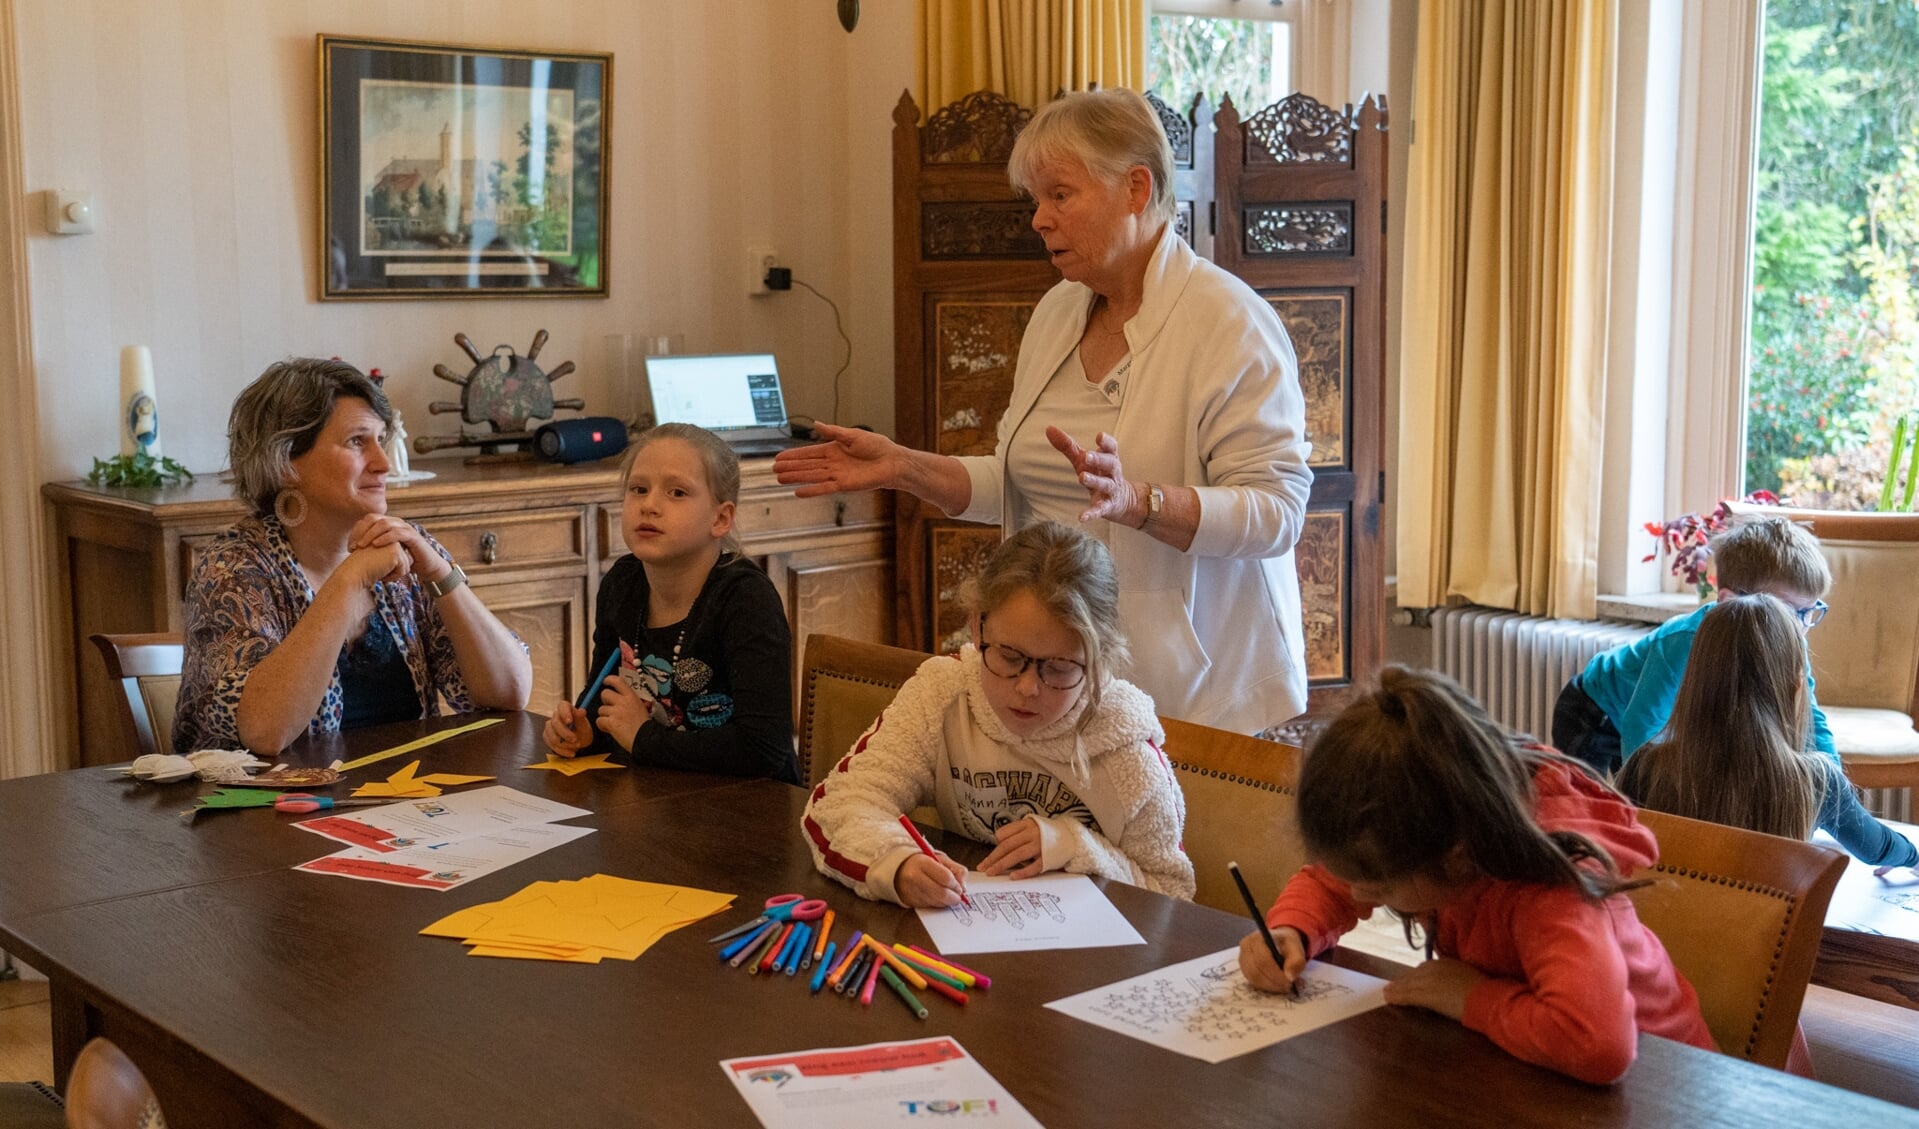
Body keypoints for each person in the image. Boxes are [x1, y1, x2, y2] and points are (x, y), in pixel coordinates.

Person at [774, 88, 1312, 736]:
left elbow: (1276, 513)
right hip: (1055, 679)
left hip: (1195, 698)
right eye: (1035, 199)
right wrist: (904, 467)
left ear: (1136, 188)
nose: (1039, 219)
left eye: (1060, 195)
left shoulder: (1228, 321)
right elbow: (1021, 482)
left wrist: (1140, 500)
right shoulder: (1059, 310)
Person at [1237, 667, 1713, 1086]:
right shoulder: (1437, 821)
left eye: (1379, 888)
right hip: (1544, 1065)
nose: (1360, 893)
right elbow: (1333, 880)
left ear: (1457, 854)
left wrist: (1472, 997)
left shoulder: (1549, 884)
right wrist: (1291, 930)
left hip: (1663, 1086)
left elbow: (1599, 1043)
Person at [802, 521, 1194, 908]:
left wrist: (1078, 846)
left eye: (1057, 668)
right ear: (977, 626)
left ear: (1098, 658)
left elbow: (1171, 896)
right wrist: (896, 863)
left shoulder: (1126, 747)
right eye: (1009, 657)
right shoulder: (943, 694)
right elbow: (842, 802)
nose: (1026, 688)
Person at [174, 359, 531, 755]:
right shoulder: (233, 570)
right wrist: (348, 581)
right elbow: (264, 731)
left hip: (407, 803)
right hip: (267, 809)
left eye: (381, 439)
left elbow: (509, 693)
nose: (385, 464)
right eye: (357, 441)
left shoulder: (408, 552)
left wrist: (441, 574)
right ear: (287, 461)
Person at [543, 423, 798, 783]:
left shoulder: (745, 600)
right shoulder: (622, 583)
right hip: (658, 798)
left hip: (748, 810)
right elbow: (605, 701)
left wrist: (644, 738)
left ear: (720, 518)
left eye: (677, 493)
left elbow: (763, 748)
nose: (650, 505)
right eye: (639, 489)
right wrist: (585, 733)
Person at [1617, 594, 1917, 870]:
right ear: (1796, 687)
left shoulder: (1646, 767)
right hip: (1768, 929)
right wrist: (1913, 856)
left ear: (1694, 681)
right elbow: (1879, 847)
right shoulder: (1816, 780)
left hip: (1671, 926)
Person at [1552, 517, 1837, 777]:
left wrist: (1834, 780)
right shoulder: (1684, 640)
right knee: (1595, 807)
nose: (1799, 628)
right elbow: (1642, 725)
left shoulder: (1792, 643)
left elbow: (1811, 719)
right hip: (1595, 710)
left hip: (1648, 723)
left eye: (1809, 613)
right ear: (1729, 601)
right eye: (1787, 611)